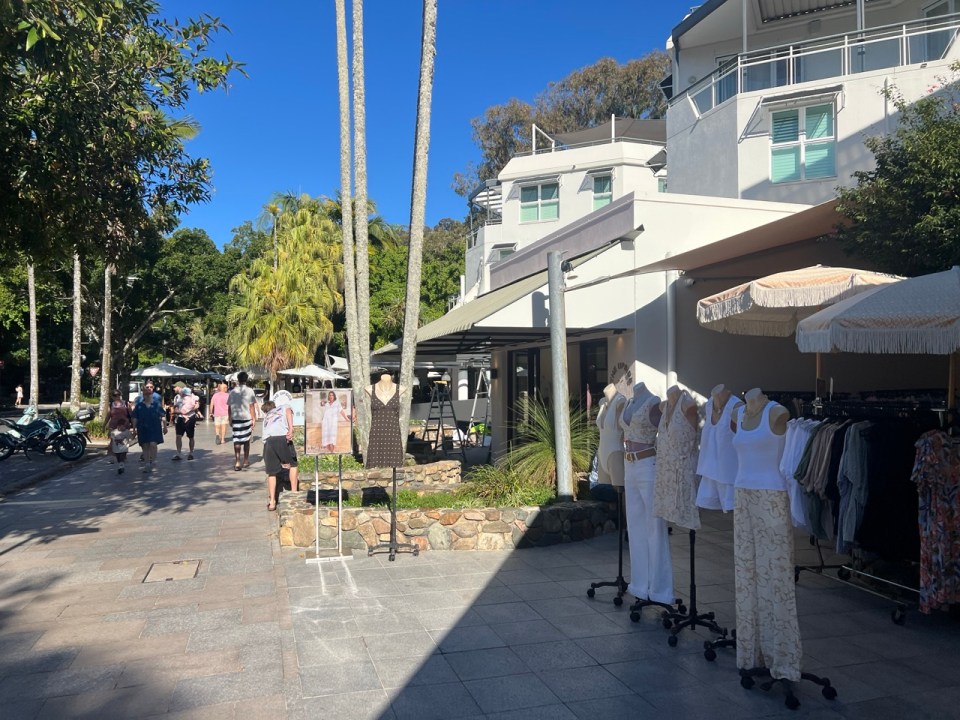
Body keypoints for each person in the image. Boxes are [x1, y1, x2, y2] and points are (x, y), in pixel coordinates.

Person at [261, 399, 298, 511]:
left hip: (268, 441)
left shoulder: (266, 417)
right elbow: (288, 411)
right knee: (293, 465)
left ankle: (272, 502)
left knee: (271, 472)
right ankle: (294, 493)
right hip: (282, 437)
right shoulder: (283, 406)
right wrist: (291, 429)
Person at [364, 374, 406, 468]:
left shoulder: (401, 389)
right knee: (374, 466)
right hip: (376, 433)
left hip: (393, 433)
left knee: (395, 467)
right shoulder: (370, 389)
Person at [130, 384, 167, 473]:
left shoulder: (156, 404)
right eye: (145, 394)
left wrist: (165, 426)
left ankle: (153, 461)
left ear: (151, 395)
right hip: (142, 427)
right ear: (143, 395)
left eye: (148, 394)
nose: (147, 396)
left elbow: (163, 416)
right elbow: (135, 417)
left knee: (153, 444)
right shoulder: (139, 405)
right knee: (145, 445)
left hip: (154, 427)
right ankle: (147, 464)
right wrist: (134, 429)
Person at [227, 371, 258, 471]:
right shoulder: (250, 391)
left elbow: (229, 407)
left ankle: (237, 462)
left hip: (236, 418)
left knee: (236, 440)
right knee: (246, 440)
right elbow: (251, 406)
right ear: (246, 379)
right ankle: (245, 460)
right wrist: (254, 418)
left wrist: (230, 418)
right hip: (246, 418)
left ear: (238, 380)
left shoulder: (232, 391)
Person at [172, 386, 202, 461]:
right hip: (180, 418)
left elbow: (197, 406)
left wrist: (190, 409)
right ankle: (178, 453)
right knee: (178, 436)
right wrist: (180, 412)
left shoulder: (193, 397)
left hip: (190, 418)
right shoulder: (178, 398)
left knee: (190, 436)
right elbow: (174, 408)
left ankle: (191, 453)